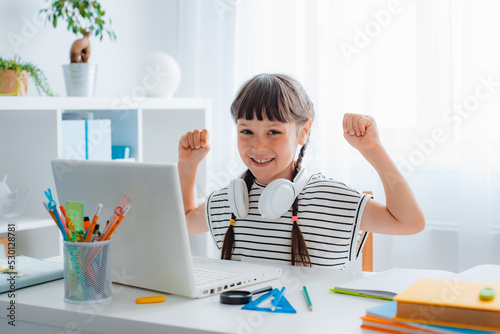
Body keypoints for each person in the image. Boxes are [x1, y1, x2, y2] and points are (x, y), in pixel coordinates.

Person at [178, 73, 425, 268]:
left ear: (303, 131)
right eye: (246, 131)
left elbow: (409, 223)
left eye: (273, 131)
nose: (258, 146)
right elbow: (182, 223)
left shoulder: (331, 198)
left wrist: (373, 149)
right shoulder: (230, 200)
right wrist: (188, 166)